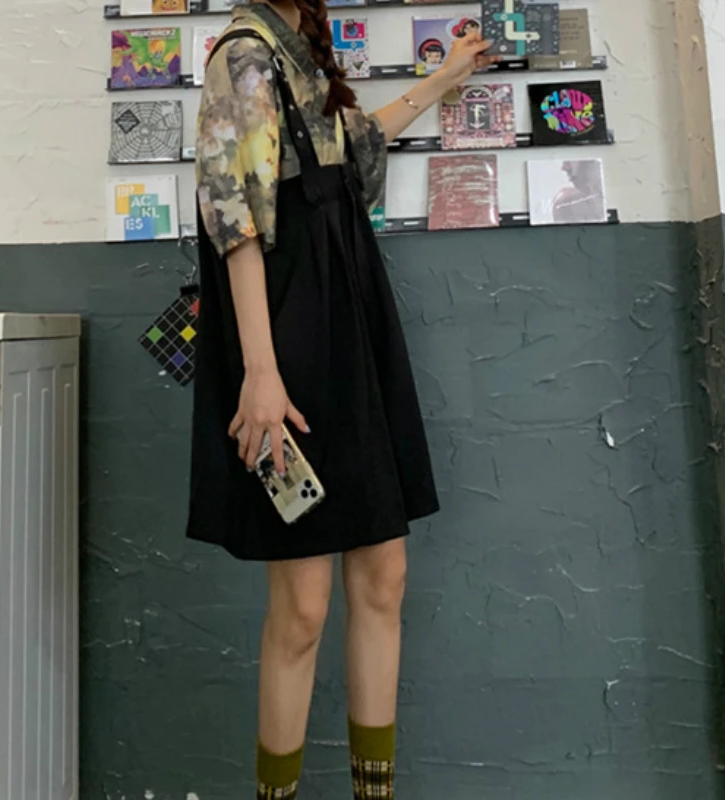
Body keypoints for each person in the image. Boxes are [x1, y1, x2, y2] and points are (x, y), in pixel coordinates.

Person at [187, 1, 495, 797]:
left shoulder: (297, 50)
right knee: (303, 604)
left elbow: (354, 147)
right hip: (288, 338)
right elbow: (234, 221)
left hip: (351, 323)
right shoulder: (243, 55)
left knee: (384, 574)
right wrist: (260, 371)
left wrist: (446, 77)